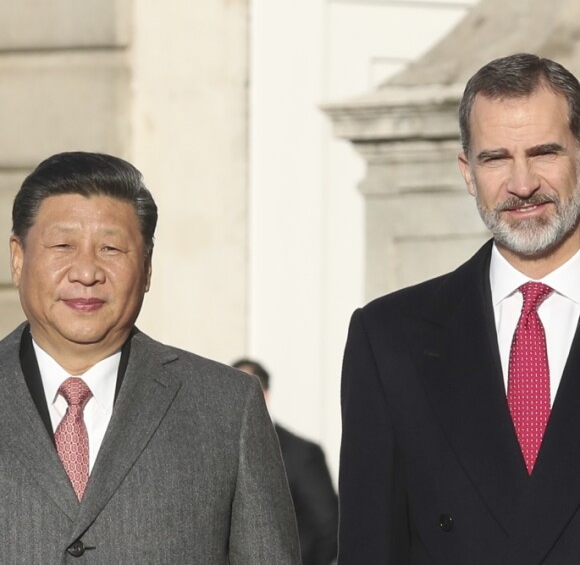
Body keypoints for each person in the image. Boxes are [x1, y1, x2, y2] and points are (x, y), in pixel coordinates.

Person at [338, 53, 580, 564]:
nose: (522, 183)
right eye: (496, 158)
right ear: (468, 172)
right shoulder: (388, 338)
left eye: (544, 152)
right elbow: (369, 546)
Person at [2, 151, 301, 564]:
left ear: (146, 268)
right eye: (63, 245)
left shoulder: (227, 408)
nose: (86, 272)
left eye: (110, 248)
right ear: (18, 258)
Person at [233, 358, 338, 565]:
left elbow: (329, 527)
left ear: (264, 394)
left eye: (241, 388)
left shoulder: (301, 453)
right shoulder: (216, 448)